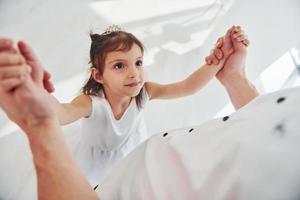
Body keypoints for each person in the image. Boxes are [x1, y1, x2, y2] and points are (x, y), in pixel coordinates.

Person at [0, 25, 259, 199]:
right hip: (94, 156)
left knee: (124, 177)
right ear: (98, 75)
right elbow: (63, 113)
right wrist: (41, 96)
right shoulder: (92, 103)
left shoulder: (144, 92)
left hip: (126, 147)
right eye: (119, 66)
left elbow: (186, 87)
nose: (134, 73)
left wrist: (217, 61)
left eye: (137, 63)